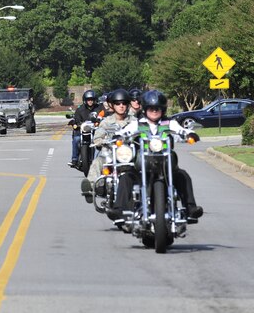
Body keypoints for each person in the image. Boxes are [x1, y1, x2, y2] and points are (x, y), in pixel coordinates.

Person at [107, 90, 204, 221]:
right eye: (151, 108)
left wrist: (189, 134)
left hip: (166, 163)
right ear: (146, 109)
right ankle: (119, 210)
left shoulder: (169, 123)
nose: (154, 111)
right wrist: (120, 136)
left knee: (183, 176)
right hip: (143, 164)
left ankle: (191, 208)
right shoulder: (138, 124)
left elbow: (181, 130)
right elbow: (126, 131)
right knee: (126, 177)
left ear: (162, 109)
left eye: (157, 108)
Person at [81, 89, 139, 202]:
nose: (121, 106)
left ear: (128, 105)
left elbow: (143, 133)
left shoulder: (134, 121)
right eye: (118, 103)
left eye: (124, 103)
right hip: (110, 155)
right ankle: (91, 187)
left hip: (129, 155)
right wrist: (99, 140)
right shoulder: (106, 121)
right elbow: (98, 134)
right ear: (112, 105)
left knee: (143, 163)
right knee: (97, 162)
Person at [69, 90, 99, 168]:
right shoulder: (80, 109)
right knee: (76, 139)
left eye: (92, 99)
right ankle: (74, 159)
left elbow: (103, 115)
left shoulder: (98, 108)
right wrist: (77, 123)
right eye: (88, 100)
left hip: (96, 131)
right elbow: (76, 119)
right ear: (85, 100)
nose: (90, 101)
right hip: (83, 132)